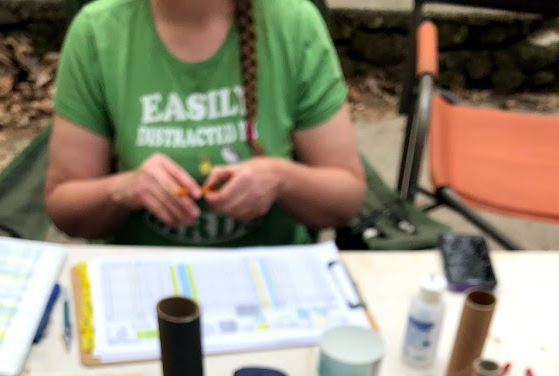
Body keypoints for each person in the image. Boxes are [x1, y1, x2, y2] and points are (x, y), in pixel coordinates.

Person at [46, 0, 365, 247]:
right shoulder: (97, 32)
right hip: (140, 276)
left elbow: (345, 198)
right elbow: (65, 206)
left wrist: (281, 178)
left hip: (269, 277)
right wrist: (125, 189)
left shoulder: (293, 23)